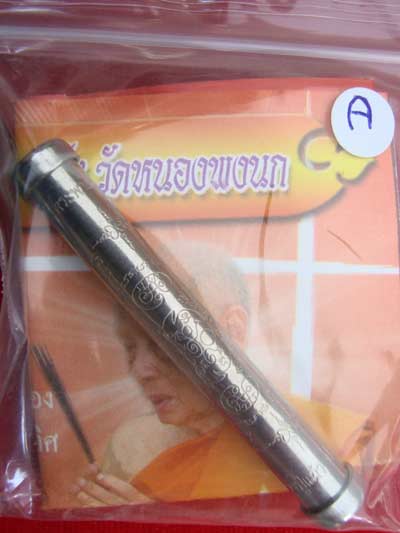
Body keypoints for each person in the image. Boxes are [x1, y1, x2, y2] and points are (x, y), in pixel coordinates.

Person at [71, 240, 366, 507]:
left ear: (233, 329)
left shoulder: (331, 445)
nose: (140, 371)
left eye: (162, 341)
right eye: (130, 348)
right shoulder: (133, 451)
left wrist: (159, 524)